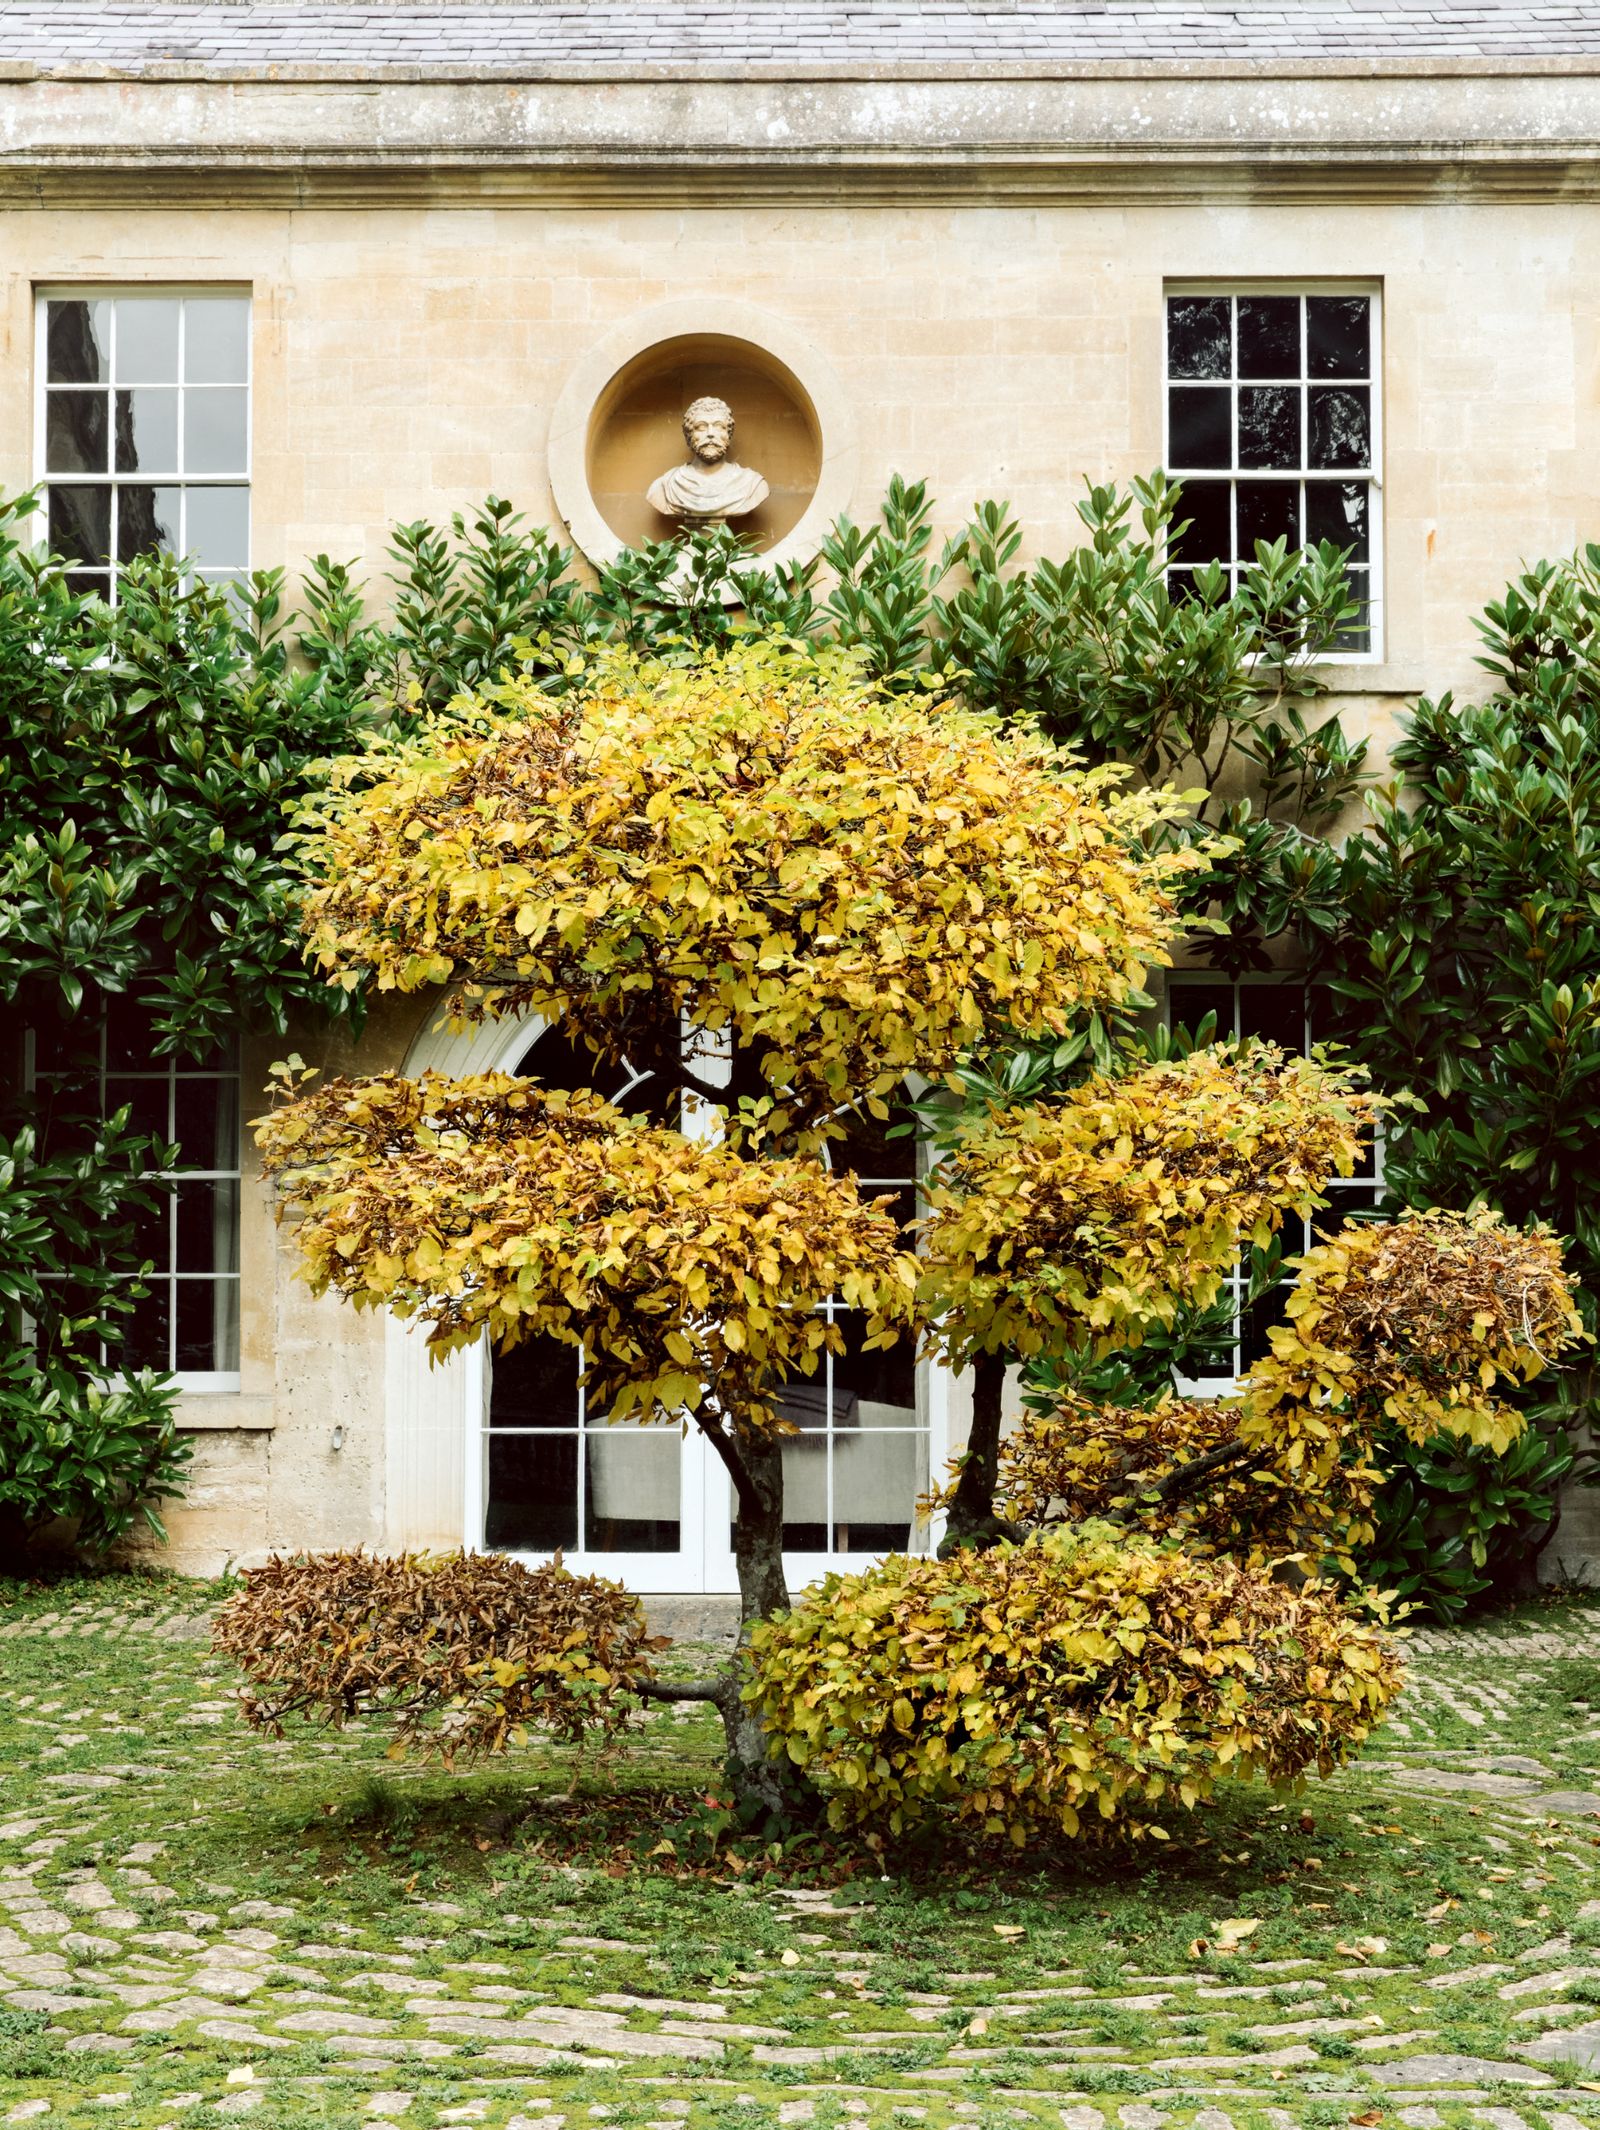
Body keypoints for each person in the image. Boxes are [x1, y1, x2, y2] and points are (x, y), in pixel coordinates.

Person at [647, 395, 769, 525]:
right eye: (701, 427)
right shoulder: (666, 486)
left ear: (728, 434)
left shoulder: (752, 484)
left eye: (719, 426)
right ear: (689, 436)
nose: (710, 433)